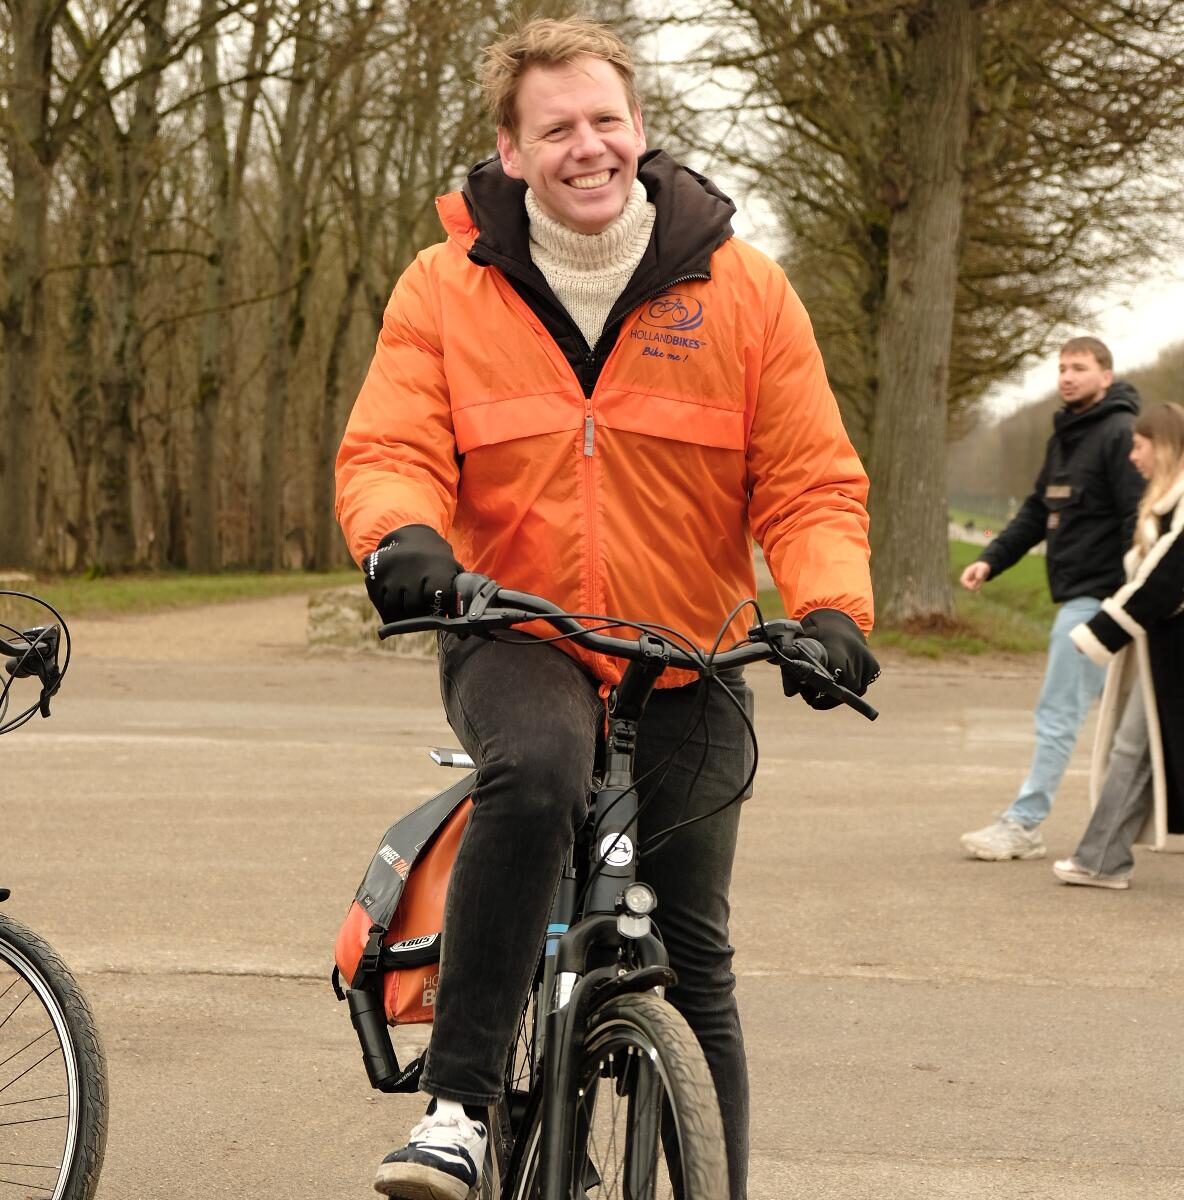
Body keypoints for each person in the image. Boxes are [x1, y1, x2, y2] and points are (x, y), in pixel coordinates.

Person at [335, 16, 878, 1200]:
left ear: (638, 128)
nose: (587, 148)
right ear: (511, 150)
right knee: (531, 774)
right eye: (556, 129)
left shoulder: (738, 288)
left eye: (605, 121)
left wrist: (832, 609)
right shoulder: (446, 284)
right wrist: (404, 541)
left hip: (689, 643)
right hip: (513, 624)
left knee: (695, 953)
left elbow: (806, 477)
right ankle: (461, 1109)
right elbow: (388, 447)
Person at [959, 337, 1144, 861]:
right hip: (1091, 601)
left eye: (1079, 368)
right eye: (1062, 368)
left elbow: (1138, 518)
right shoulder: (1065, 437)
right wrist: (991, 559)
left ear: (1106, 376)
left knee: (1059, 712)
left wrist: (1128, 600)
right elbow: (1037, 511)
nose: (1067, 376)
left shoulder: (1119, 433)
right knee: (1137, 725)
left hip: (1103, 604)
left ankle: (1024, 824)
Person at [1053, 403, 1184, 888]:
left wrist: (1100, 633)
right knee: (1136, 749)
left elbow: (1166, 580)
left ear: (1163, 445)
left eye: (1140, 444)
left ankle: (1101, 858)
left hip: (1171, 655)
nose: (1132, 456)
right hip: (1164, 654)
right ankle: (1102, 857)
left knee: (1134, 749)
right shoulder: (1168, 502)